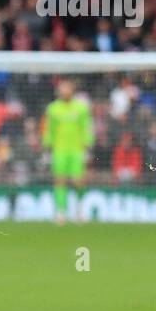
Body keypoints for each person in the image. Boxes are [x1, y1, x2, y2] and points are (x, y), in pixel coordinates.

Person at [42, 78, 93, 223]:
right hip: (59, 150)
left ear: (72, 90)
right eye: (62, 89)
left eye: (67, 88)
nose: (64, 91)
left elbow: (86, 127)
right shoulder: (53, 108)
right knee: (59, 180)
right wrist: (47, 146)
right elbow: (49, 129)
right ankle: (61, 211)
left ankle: (80, 208)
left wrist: (88, 145)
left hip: (77, 150)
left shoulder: (81, 108)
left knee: (78, 181)